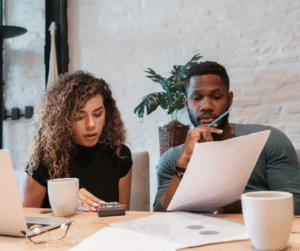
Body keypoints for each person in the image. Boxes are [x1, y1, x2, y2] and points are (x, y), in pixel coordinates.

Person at [153, 61, 300, 214]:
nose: (206, 106)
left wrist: (240, 205)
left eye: (216, 97)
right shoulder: (172, 159)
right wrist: (184, 160)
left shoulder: (270, 140)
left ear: (229, 99)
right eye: (196, 98)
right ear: (186, 103)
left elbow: (295, 205)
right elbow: (158, 215)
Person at [22, 71, 132, 211]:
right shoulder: (43, 159)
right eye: (80, 117)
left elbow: (123, 215)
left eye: (98, 114)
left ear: (107, 112)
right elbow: (27, 221)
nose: (91, 124)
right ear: (63, 120)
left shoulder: (120, 154)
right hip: (60, 233)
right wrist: (67, 202)